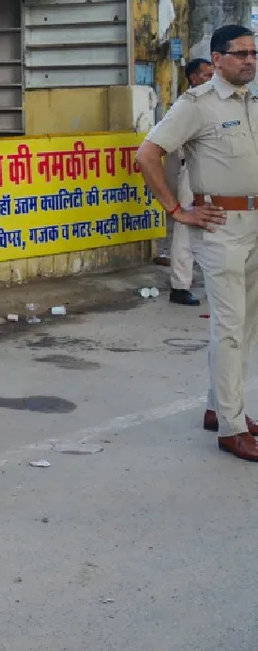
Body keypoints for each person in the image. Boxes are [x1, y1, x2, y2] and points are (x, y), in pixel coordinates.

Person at [139, 24, 258, 462]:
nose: (249, 60)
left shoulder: (252, 102)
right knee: (228, 326)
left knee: (245, 327)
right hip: (219, 224)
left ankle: (221, 409)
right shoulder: (197, 104)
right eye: (240, 53)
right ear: (218, 58)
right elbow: (148, 155)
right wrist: (176, 210)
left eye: (253, 52)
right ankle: (231, 429)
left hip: (255, 224)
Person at [169, 57, 214, 306]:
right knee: (185, 229)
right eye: (206, 75)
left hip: (220, 172)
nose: (211, 79)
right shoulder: (187, 104)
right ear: (194, 78)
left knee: (218, 227)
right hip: (194, 169)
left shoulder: (217, 101)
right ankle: (179, 285)